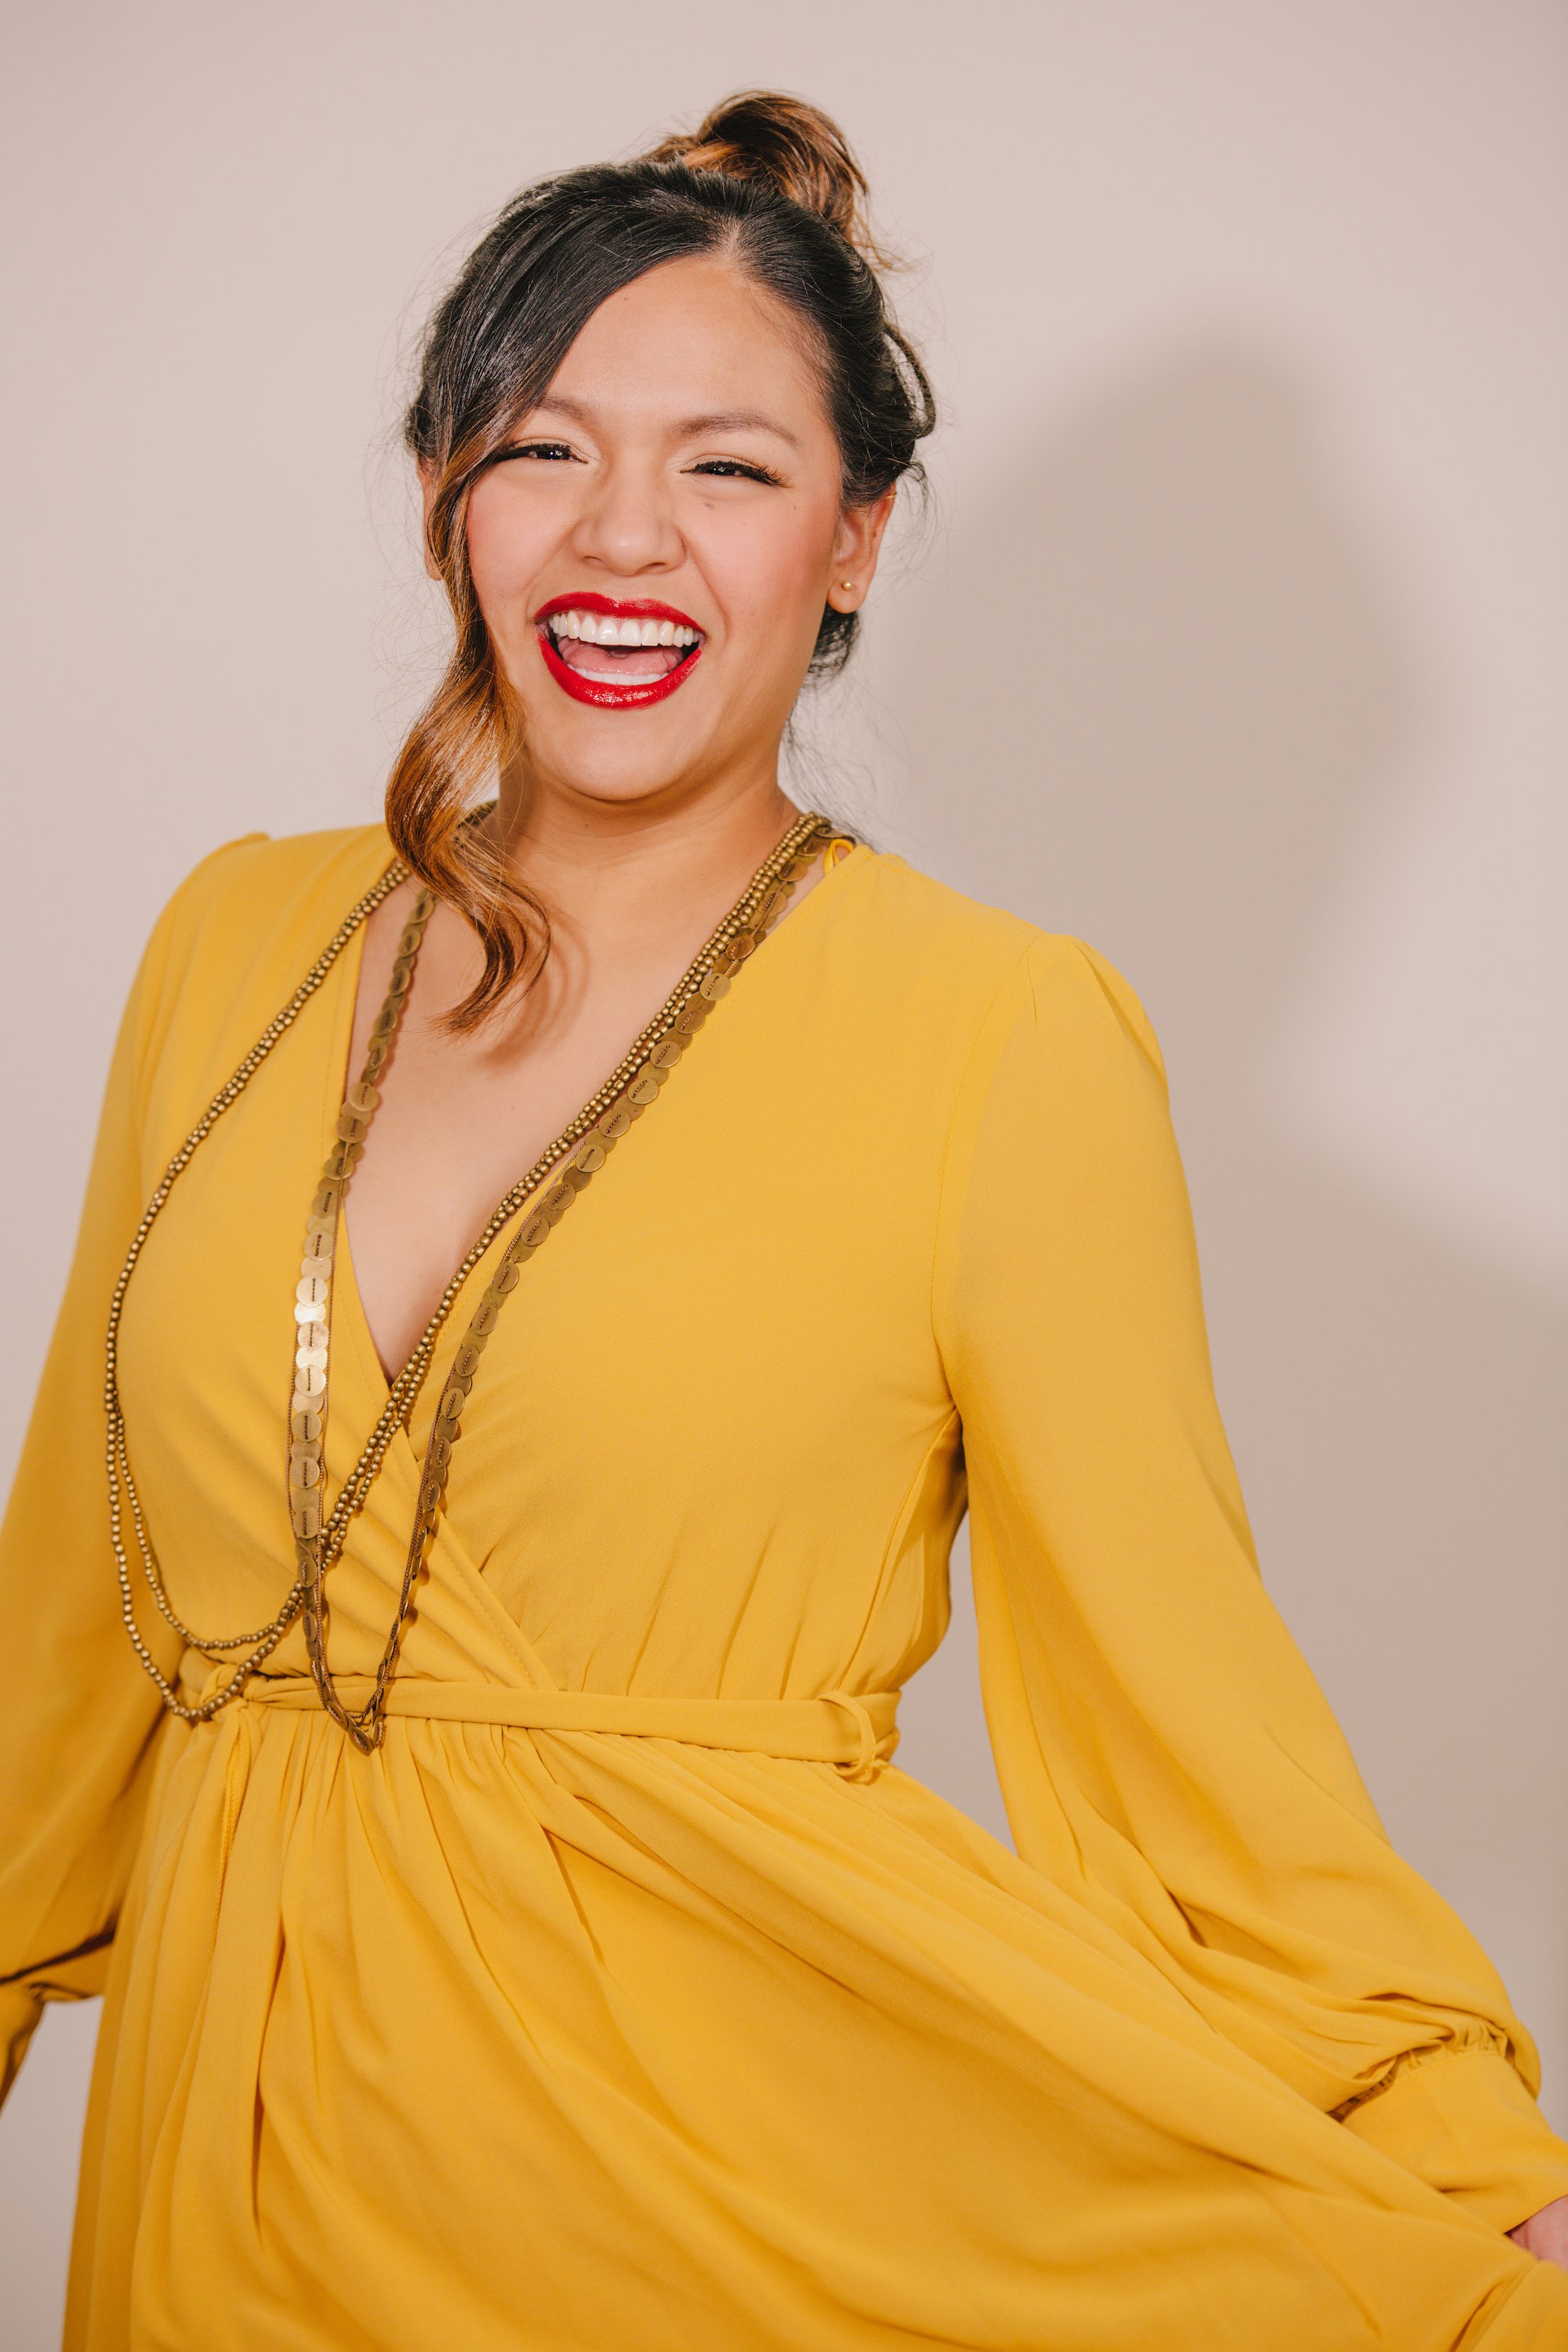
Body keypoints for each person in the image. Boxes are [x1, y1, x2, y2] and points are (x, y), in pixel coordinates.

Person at [2, 89, 1565, 2352]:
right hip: (229, 2169)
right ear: (449, 492)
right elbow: (72, 1617)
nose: (622, 540)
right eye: (546, 448)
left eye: (727, 471)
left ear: (854, 539)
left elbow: (1185, 1707)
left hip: (721, 2180)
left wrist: (1458, 2153)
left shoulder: (995, 1035)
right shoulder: (231, 948)